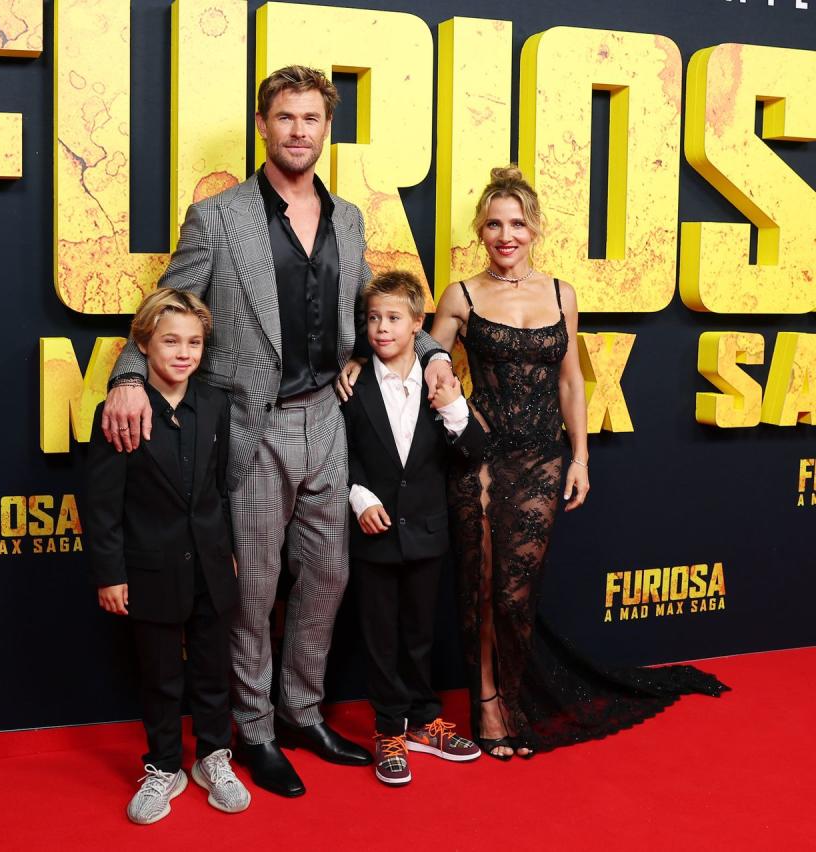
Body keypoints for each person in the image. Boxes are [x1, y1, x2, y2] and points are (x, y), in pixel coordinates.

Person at [99, 65, 457, 797]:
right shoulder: (220, 217)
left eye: (312, 119)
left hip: (327, 415)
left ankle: (301, 713)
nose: (299, 130)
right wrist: (129, 376)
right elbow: (167, 303)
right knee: (254, 590)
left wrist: (435, 352)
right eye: (286, 117)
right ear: (263, 125)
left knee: (328, 578)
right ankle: (254, 731)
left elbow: (379, 314)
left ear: (327, 129)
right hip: (249, 426)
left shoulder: (349, 218)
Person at [426, 165, 728, 758]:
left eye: (516, 223)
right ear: (479, 232)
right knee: (478, 588)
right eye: (493, 224)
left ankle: (514, 697)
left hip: (542, 457)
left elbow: (571, 382)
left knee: (515, 594)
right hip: (479, 459)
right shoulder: (460, 295)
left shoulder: (562, 293)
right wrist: (395, 361)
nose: (505, 235)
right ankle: (488, 706)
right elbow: (425, 357)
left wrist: (581, 457)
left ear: (534, 229)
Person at [85, 289, 250, 822]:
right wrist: (110, 573)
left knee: (211, 668)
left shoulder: (216, 404)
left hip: (210, 561)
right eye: (171, 341)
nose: (184, 352)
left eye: (195, 342)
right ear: (145, 344)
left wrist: (225, 551)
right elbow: (102, 503)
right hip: (149, 566)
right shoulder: (119, 411)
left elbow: (220, 490)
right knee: (159, 674)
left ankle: (212, 758)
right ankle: (163, 767)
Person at [342, 271, 485, 785]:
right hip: (373, 533)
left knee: (421, 634)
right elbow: (341, 455)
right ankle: (388, 730)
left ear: (418, 324)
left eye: (394, 318)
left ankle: (425, 722)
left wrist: (452, 407)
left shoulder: (439, 379)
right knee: (379, 636)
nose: (382, 328)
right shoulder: (351, 383)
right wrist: (358, 498)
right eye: (373, 318)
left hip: (427, 531)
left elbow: (472, 451)